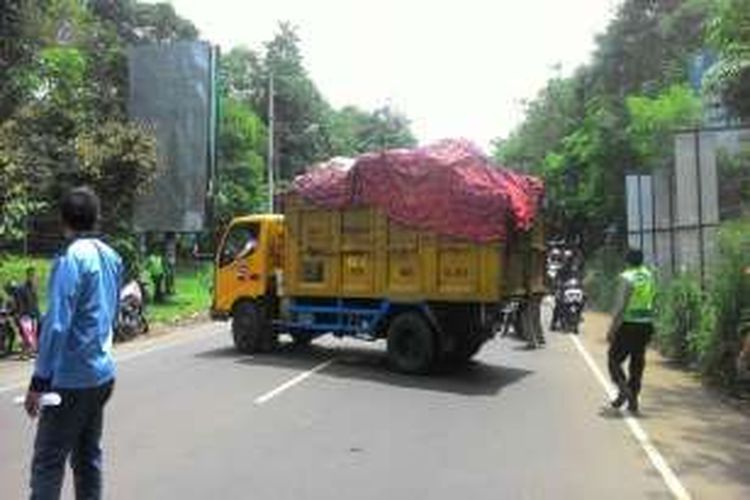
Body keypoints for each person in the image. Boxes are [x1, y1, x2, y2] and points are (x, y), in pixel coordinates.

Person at [24, 186, 122, 500]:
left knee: (48, 463)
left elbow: (55, 325)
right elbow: (112, 313)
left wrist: (39, 381)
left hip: (69, 382)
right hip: (102, 375)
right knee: (87, 459)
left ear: (63, 220)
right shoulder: (112, 257)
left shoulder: (70, 259)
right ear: (96, 218)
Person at [606, 248, 656, 414]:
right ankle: (633, 399)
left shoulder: (626, 277)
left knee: (613, 359)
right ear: (641, 260)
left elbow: (621, 306)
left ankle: (624, 389)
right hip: (646, 324)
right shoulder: (649, 275)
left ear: (627, 260)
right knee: (637, 362)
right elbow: (653, 298)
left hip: (628, 324)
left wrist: (612, 329)